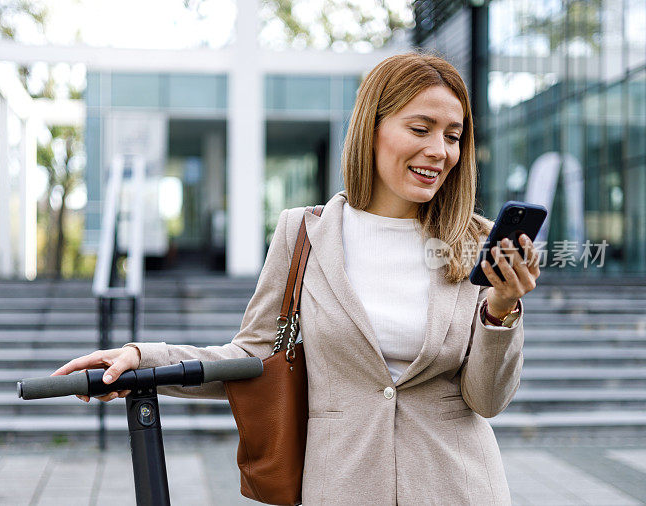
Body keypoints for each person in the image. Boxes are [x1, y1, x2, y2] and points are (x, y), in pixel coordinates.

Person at [53, 52, 540, 505]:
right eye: (420, 128)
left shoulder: (478, 241)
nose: (439, 151)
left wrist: (501, 310)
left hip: (457, 487)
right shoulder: (305, 233)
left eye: (453, 136)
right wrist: (143, 360)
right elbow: (252, 356)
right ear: (371, 129)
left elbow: (487, 400)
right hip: (341, 486)